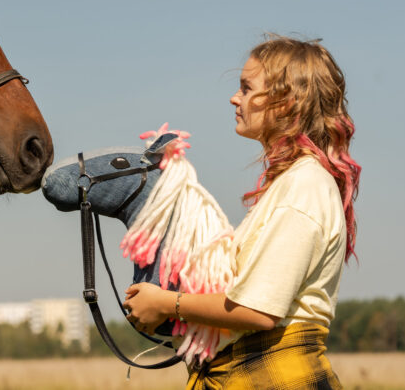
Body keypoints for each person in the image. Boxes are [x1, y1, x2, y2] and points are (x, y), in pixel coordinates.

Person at [123, 36, 361, 389]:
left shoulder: (304, 184)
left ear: (286, 102)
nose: (235, 98)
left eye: (247, 88)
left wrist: (166, 303)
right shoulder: (295, 182)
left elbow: (258, 310)